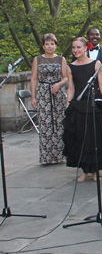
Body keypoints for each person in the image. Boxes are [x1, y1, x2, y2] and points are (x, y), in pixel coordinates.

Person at [63, 37, 102, 182]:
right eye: (74, 48)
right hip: (79, 106)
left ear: (86, 48)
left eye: (78, 47)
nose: (75, 50)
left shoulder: (96, 63)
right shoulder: (70, 66)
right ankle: (84, 170)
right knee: (81, 137)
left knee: (95, 138)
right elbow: (71, 88)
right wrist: (68, 105)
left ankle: (95, 171)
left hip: (94, 104)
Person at [30, 33, 68, 164]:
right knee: (45, 124)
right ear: (43, 46)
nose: (50, 46)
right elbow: (34, 78)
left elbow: (66, 77)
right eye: (47, 44)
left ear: (56, 45)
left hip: (57, 94)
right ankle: (46, 157)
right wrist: (33, 97)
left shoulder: (61, 59)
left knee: (59, 124)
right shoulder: (37, 60)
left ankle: (60, 156)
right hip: (43, 94)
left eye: (52, 43)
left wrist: (59, 84)